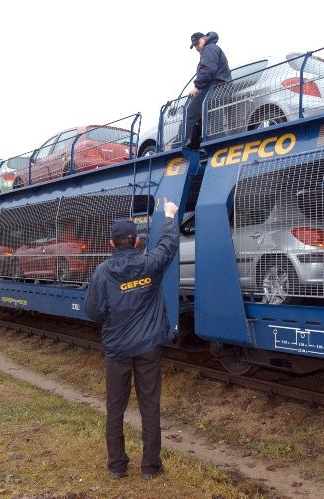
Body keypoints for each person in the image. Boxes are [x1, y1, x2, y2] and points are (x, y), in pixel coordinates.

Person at [85, 198, 180, 480]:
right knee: (149, 406)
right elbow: (167, 244)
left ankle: (116, 466)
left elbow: (93, 312)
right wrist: (170, 216)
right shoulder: (150, 265)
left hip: (117, 351)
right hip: (149, 348)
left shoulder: (102, 273)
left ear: (112, 244)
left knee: (115, 407)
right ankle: (151, 468)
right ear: (136, 241)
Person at [184, 31, 232, 148]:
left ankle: (180, 144)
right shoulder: (212, 48)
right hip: (219, 87)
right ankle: (201, 142)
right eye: (194, 46)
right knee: (212, 115)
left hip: (217, 87)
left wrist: (197, 86)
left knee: (190, 112)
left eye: (197, 43)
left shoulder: (209, 49)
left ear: (204, 38)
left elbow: (208, 69)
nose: (196, 47)